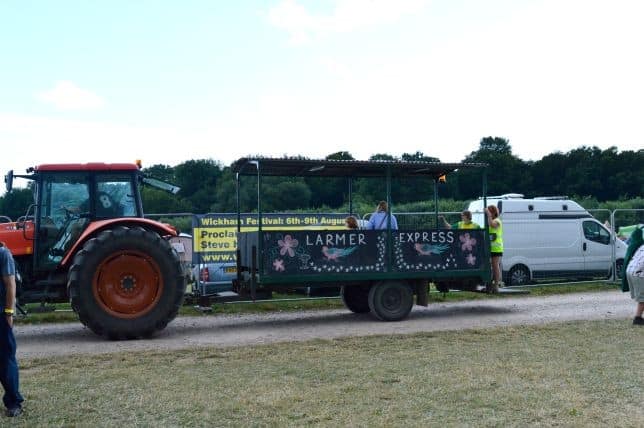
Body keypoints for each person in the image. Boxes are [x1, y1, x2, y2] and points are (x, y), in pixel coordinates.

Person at [0, 243, 24, 417]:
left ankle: (13, 402)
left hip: (0, 316)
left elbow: (10, 284)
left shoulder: (3, 254)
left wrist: (9, 312)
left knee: (6, 359)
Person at [622, 228, 644, 325]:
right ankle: (637, 318)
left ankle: (638, 318)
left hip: (631, 270)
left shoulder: (641, 245)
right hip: (638, 273)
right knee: (643, 298)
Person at [487, 205, 503, 293]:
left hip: (496, 248)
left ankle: (496, 285)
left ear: (493, 212)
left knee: (495, 266)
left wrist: (488, 215)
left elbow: (492, 225)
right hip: (490, 247)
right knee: (490, 266)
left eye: (489, 212)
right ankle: (490, 284)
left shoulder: (497, 221)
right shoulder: (491, 220)